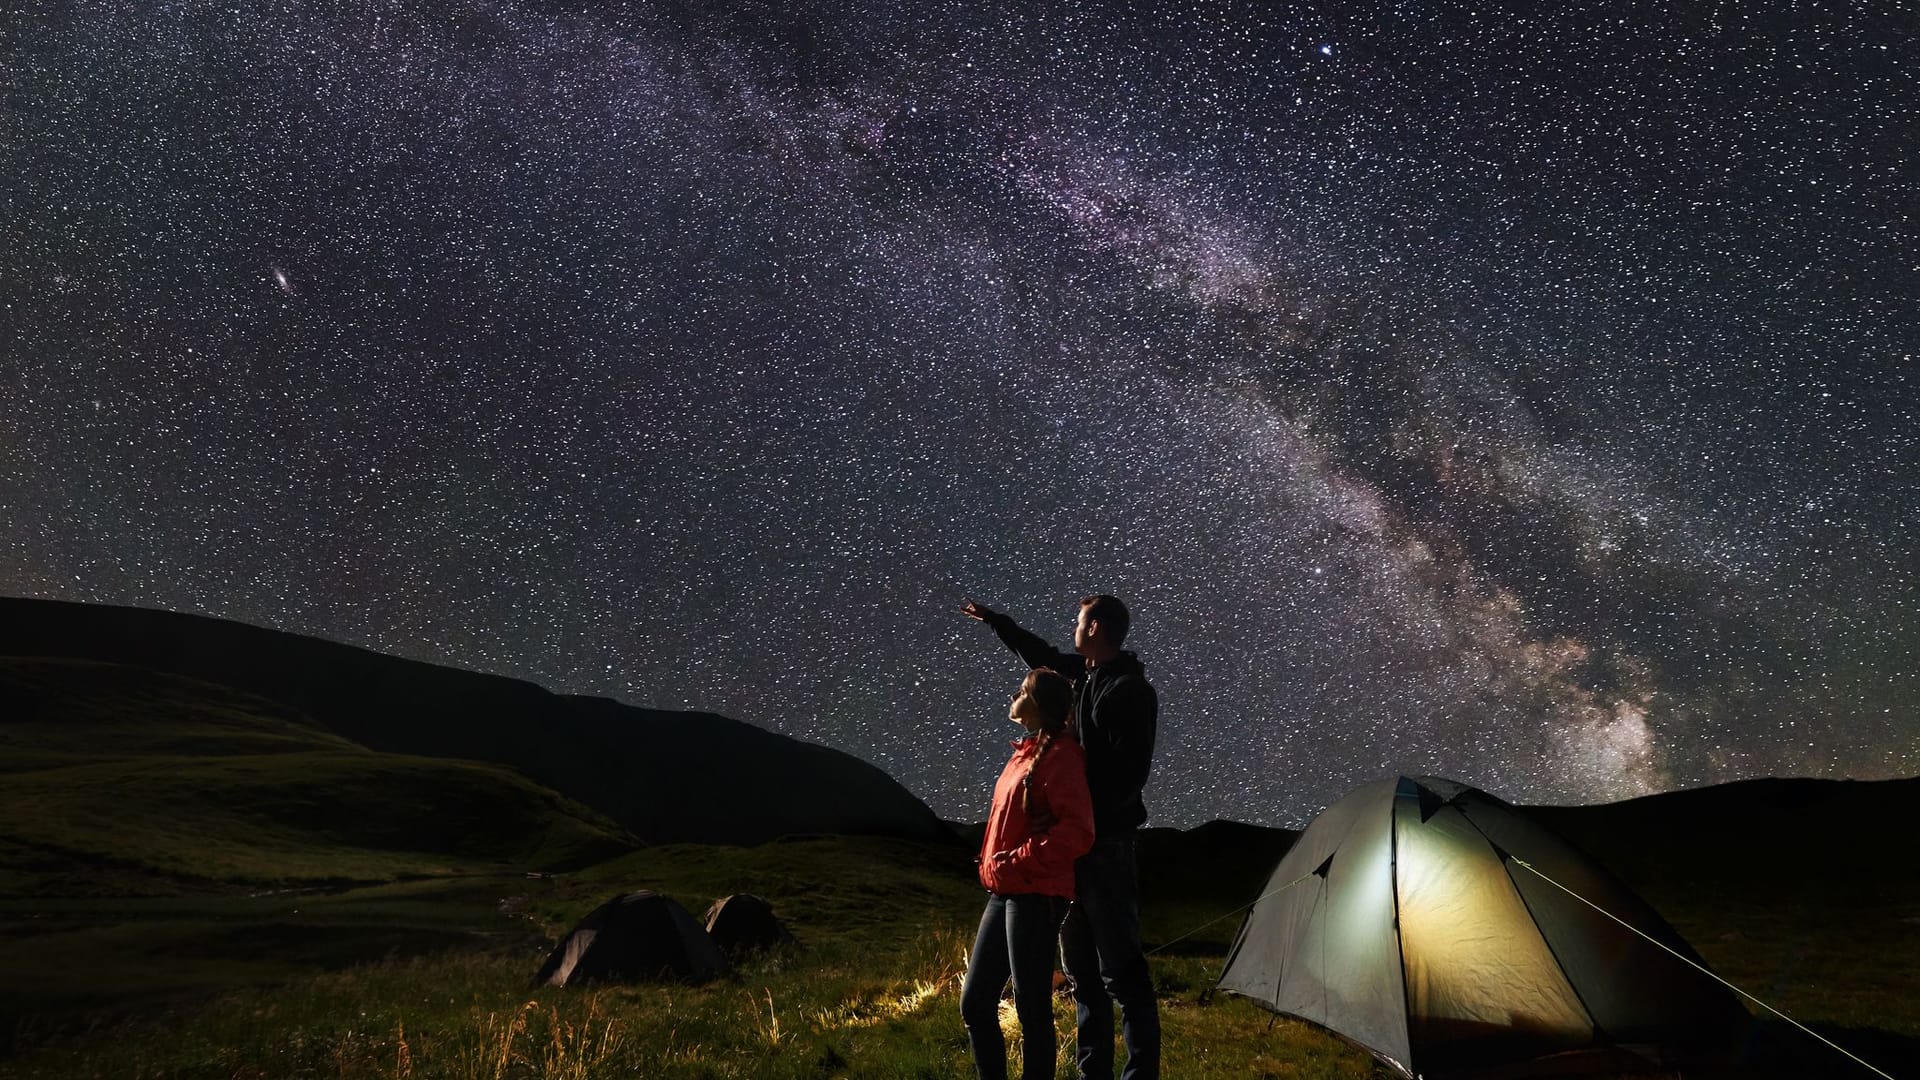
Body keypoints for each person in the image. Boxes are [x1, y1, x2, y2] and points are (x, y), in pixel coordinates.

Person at [963, 595, 1160, 1080]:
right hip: (1074, 850)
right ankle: (1093, 1072)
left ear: (1094, 628)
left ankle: (1139, 1074)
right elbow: (1040, 656)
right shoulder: (1086, 675)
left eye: (1078, 620)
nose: (1072, 627)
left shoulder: (1129, 691)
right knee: (1081, 974)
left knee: (1122, 973)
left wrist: (1074, 808)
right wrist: (998, 623)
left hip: (1104, 846)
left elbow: (1130, 774)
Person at [960, 667, 1096, 1080]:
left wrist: (1015, 859)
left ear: (1038, 704)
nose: (1014, 695)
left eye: (1022, 690)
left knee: (1031, 1007)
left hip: (1035, 893)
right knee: (975, 1002)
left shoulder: (1063, 756)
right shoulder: (1023, 753)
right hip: (1005, 890)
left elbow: (1077, 832)